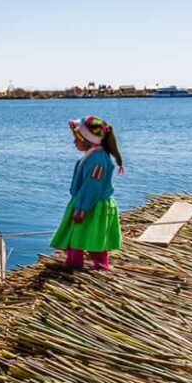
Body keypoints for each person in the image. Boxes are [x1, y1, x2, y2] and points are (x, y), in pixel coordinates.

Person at [50, 115, 124, 270]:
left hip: (91, 204)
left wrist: (81, 208)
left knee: (91, 237)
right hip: (84, 201)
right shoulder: (92, 155)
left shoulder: (98, 160)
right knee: (74, 235)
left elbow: (93, 186)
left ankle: (99, 265)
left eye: (77, 138)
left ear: (88, 140)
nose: (74, 142)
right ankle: (74, 263)